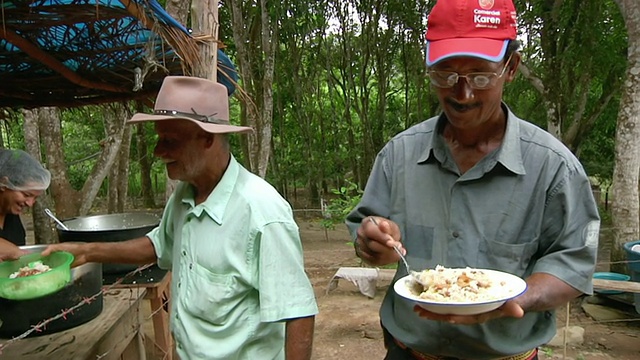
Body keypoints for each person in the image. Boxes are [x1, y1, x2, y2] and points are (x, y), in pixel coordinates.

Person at [345, 0, 600, 359]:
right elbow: (367, 236)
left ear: (511, 67)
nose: (461, 94)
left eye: (481, 77)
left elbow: (572, 264)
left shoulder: (554, 167)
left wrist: (518, 298)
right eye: (445, 74)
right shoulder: (398, 155)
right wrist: (372, 240)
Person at [43, 75, 318, 360]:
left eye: (169, 141)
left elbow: (297, 311)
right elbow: (159, 245)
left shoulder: (261, 212)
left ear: (208, 139)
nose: (158, 152)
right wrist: (87, 252)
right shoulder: (185, 195)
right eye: (159, 139)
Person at [0, 148, 51, 261]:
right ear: (4, 183)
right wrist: (17, 253)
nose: (30, 203)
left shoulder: (12, 217)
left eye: (35, 197)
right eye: (26, 195)